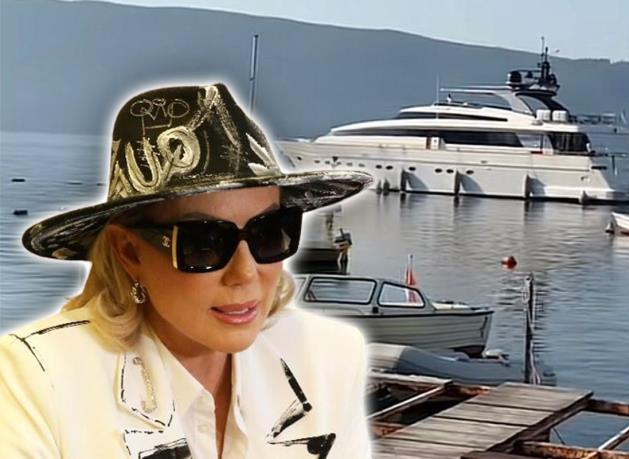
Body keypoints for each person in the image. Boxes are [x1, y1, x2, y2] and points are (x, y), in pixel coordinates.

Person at [0, 83, 373, 458]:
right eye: (205, 243)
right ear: (129, 252)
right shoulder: (37, 378)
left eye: (269, 233)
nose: (245, 273)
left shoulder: (330, 357)